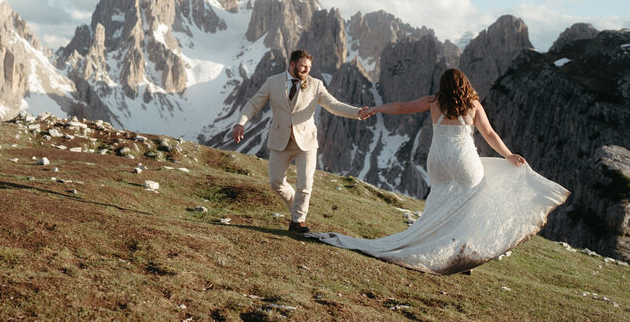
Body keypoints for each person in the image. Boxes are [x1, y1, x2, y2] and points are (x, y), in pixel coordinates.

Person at [306, 68, 570, 275]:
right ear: (465, 84)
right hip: (463, 156)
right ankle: (457, 254)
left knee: (440, 199)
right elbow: (489, 133)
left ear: (443, 85)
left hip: (438, 159)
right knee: (473, 199)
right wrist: (508, 155)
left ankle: (436, 243)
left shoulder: (434, 101)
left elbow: (402, 107)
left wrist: (376, 108)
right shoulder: (473, 104)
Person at [233, 49, 368, 233]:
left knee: (305, 183)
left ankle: (298, 221)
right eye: (303, 66)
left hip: (306, 142)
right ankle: (296, 205)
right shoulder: (273, 82)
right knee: (275, 182)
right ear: (292, 64)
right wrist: (241, 124)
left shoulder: (316, 85)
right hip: (281, 140)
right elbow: (253, 103)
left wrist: (357, 112)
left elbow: (334, 106)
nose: (307, 70)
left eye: (309, 67)